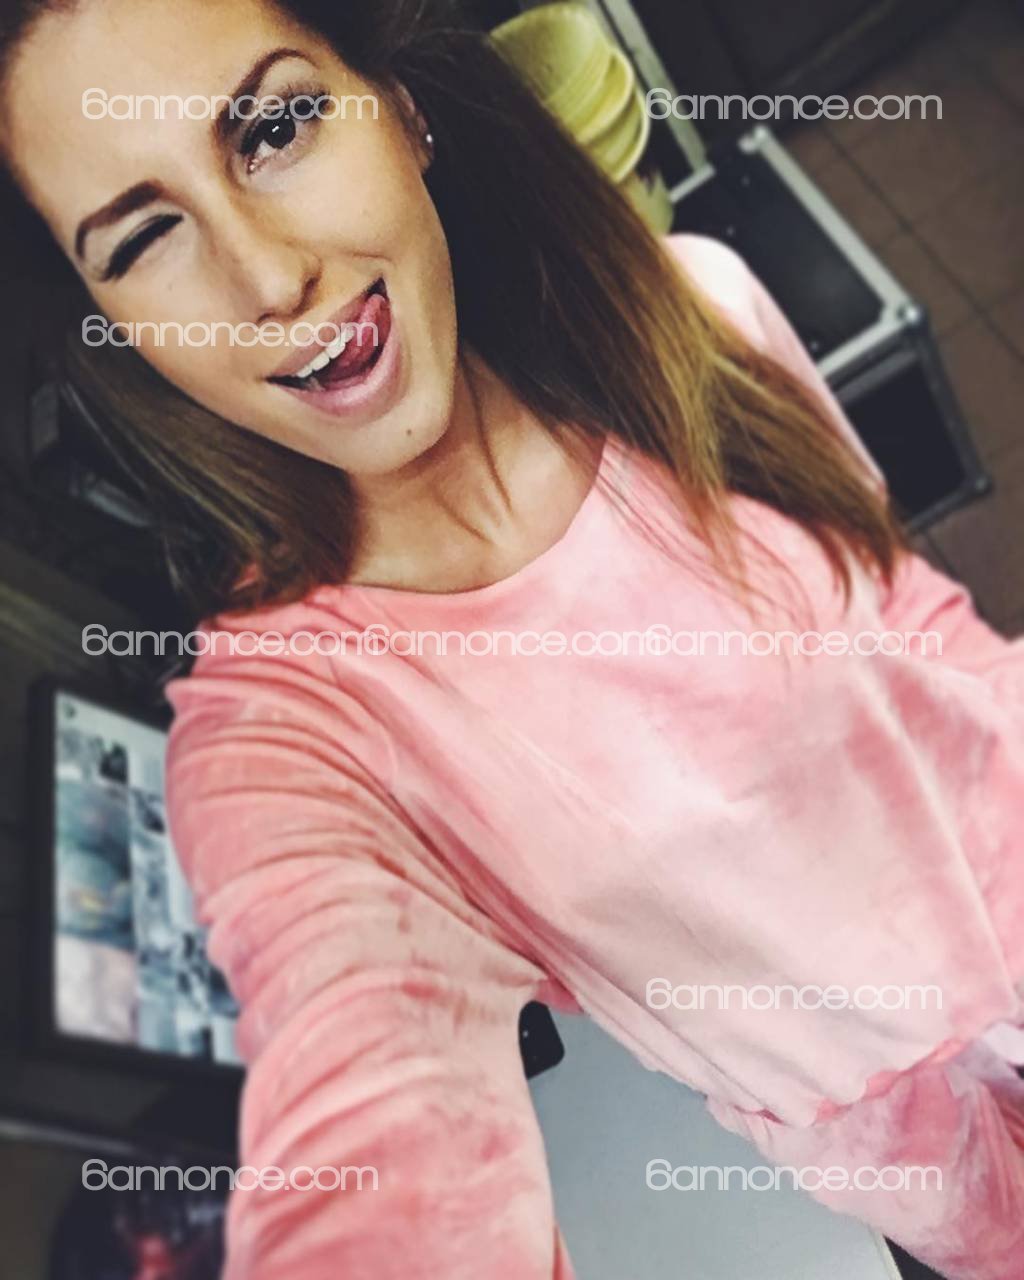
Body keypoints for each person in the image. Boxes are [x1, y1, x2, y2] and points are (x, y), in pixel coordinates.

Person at [3, 0, 1023, 1276]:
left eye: (275, 127)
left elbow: (911, 626)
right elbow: (379, 1137)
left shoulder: (694, 311)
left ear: (400, 110)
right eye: (147, 238)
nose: (266, 281)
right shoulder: (300, 731)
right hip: (940, 1166)